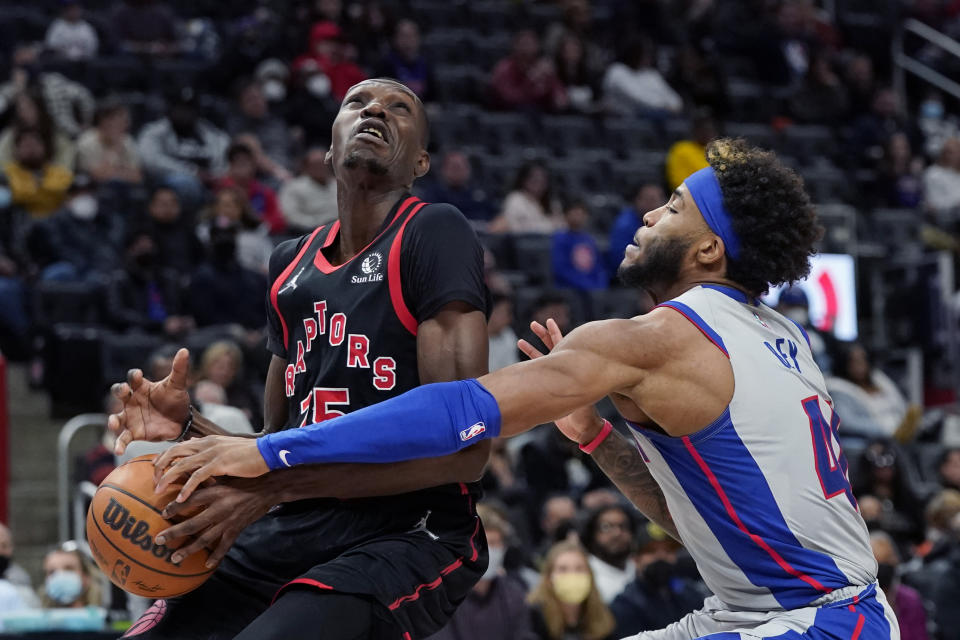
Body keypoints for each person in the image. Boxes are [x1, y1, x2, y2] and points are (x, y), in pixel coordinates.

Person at [167, 138, 902, 639]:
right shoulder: (774, 333)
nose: (650, 212)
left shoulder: (657, 339)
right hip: (779, 608)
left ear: (708, 248)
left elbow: (461, 413)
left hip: (820, 620)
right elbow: (711, 527)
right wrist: (595, 438)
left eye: (675, 206)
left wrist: (269, 454)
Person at [106, 78, 491, 640]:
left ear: (421, 163)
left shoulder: (433, 231)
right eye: (357, 102)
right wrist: (188, 429)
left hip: (409, 531)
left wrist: (274, 487)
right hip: (295, 523)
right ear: (330, 150)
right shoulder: (289, 266)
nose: (376, 110)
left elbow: (464, 449)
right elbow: (278, 442)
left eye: (399, 108)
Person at [427, 505, 534, 640]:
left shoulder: (514, 595)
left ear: (504, 548)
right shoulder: (440, 598)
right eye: (480, 543)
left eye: (494, 543)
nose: (487, 550)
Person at [610, 520, 707, 637]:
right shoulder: (625, 605)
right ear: (635, 559)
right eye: (651, 551)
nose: (661, 557)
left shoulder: (690, 592)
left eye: (668, 551)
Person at [137, 88, 230, 205]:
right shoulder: (154, 131)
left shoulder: (209, 132)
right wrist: (193, 173)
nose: (184, 113)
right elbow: (151, 161)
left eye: (189, 109)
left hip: (210, 184)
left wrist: (216, 175)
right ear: (170, 109)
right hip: (165, 186)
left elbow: (225, 150)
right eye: (180, 108)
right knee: (186, 183)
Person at [528, 541, 616, 640]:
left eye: (579, 569)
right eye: (563, 569)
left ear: (590, 576)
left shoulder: (603, 617)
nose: (572, 575)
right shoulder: (532, 617)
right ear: (549, 578)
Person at [602, 38, 683, 118]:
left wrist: (673, 105)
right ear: (633, 53)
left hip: (651, 123)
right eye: (645, 53)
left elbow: (675, 99)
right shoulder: (616, 71)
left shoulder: (650, 74)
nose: (648, 57)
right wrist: (665, 106)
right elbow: (637, 97)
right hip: (619, 123)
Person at [490, 30, 567, 113]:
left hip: (539, 114)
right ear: (515, 46)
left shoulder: (543, 68)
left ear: (537, 47)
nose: (527, 48)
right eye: (524, 44)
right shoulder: (504, 68)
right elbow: (508, 99)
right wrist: (531, 80)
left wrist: (557, 97)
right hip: (508, 115)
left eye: (530, 44)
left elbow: (560, 97)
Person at [217, 141, 285, 234]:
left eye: (246, 163)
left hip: (259, 238)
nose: (242, 169)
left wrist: (257, 221)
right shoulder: (220, 189)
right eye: (238, 164)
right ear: (230, 166)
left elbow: (279, 221)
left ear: (253, 166)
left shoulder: (264, 192)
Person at [3, 128, 73, 219]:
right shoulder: (7, 173)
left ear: (43, 148)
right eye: (26, 146)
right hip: (19, 222)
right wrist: (45, 191)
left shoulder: (60, 172)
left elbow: (64, 191)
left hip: (55, 221)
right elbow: (16, 195)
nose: (31, 150)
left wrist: (33, 191)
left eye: (35, 145)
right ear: (17, 150)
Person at [870, 532, 928, 640]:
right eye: (878, 563)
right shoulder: (859, 602)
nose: (882, 571)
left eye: (886, 562)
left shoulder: (909, 599)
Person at [226, 79, 293, 171]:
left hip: (291, 171)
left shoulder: (277, 122)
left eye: (258, 97)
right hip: (264, 178)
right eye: (250, 99)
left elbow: (292, 151)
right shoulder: (238, 128)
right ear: (241, 104)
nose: (256, 102)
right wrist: (278, 172)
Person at [417, 151, 495, 225]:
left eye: (462, 167)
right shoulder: (433, 194)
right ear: (444, 169)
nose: (458, 171)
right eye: (455, 167)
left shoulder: (479, 193)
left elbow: (496, 215)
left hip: (482, 234)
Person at [76, 99, 143, 185]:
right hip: (92, 190)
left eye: (122, 121)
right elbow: (98, 176)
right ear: (102, 121)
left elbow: (137, 177)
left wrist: (115, 172)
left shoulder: (127, 141)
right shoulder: (86, 142)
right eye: (112, 120)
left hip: (125, 189)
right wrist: (114, 151)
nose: (116, 125)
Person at [581, 505, 636, 603]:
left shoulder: (639, 570)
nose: (617, 533)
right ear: (592, 534)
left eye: (623, 526)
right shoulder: (584, 573)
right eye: (606, 527)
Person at [608, 184, 665, 276]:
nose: (655, 203)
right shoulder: (624, 225)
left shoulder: (663, 220)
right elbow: (621, 260)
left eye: (658, 199)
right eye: (649, 199)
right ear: (637, 200)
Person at [278, 147, 339, 233]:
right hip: (308, 233)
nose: (321, 168)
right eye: (316, 165)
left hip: (339, 230)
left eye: (324, 164)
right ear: (305, 167)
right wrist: (320, 225)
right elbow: (291, 216)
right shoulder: (293, 187)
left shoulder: (338, 184)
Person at [490, 162, 562, 234]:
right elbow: (509, 227)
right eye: (535, 179)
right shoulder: (515, 200)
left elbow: (560, 228)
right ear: (524, 180)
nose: (539, 183)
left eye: (543, 180)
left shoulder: (552, 203)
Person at [552, 200, 606, 291]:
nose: (578, 217)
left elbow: (598, 267)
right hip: (568, 289)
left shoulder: (589, 239)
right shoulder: (559, 239)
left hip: (592, 289)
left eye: (582, 213)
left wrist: (600, 285)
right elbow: (561, 269)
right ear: (566, 215)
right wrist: (585, 285)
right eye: (575, 213)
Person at [376, 19, 435, 102]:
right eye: (404, 36)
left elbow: (433, 96)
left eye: (412, 36)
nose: (408, 41)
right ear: (395, 39)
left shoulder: (425, 63)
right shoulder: (386, 65)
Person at [40, 544, 103, 609]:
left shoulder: (105, 616)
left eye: (69, 569)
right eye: (52, 572)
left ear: (85, 576)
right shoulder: (35, 617)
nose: (60, 576)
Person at [664, 113, 715, 191]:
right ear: (695, 131)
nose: (707, 133)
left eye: (710, 129)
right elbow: (677, 181)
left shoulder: (717, 152)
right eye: (704, 129)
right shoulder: (681, 149)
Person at [922, 136, 960, 220]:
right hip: (942, 218)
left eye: (958, 152)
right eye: (950, 152)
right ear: (943, 153)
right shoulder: (933, 173)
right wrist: (956, 203)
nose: (955, 156)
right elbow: (934, 203)